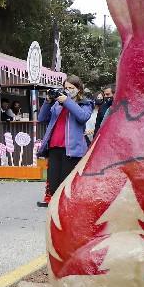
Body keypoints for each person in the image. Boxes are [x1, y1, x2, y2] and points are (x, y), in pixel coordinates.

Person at [37, 75, 94, 206]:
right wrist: (48, 101)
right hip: (54, 148)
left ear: (79, 89)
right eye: (65, 87)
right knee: (53, 184)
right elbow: (41, 118)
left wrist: (67, 101)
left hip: (72, 150)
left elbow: (83, 117)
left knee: (67, 183)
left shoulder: (85, 103)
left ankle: (66, 211)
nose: (68, 90)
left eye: (71, 87)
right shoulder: (57, 104)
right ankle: (58, 209)